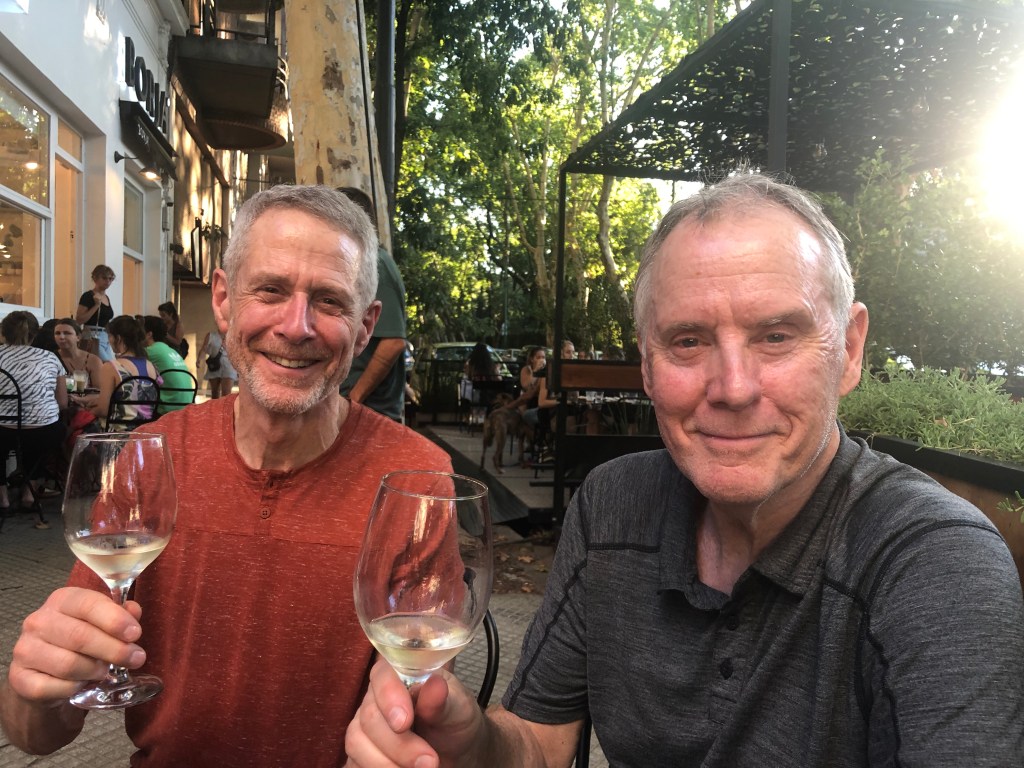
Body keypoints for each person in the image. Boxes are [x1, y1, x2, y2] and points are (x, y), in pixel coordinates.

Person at [344, 172, 1024, 767]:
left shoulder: (933, 562)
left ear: (848, 351)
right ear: (646, 367)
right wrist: (469, 746)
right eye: (688, 341)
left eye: (776, 336)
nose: (732, 387)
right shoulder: (614, 507)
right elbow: (537, 746)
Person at [0, 184, 452, 766]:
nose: (296, 326)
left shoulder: (417, 483)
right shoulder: (154, 456)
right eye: (270, 290)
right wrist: (32, 687)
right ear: (222, 299)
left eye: (329, 301)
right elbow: (38, 734)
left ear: (365, 327)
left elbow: (416, 708)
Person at [337, 186, 408, 422]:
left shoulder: (375, 264)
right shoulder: (361, 260)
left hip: (370, 411)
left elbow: (394, 342)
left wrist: (355, 399)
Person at [0, 311, 67, 509]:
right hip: (43, 431)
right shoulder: (50, 357)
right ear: (35, 334)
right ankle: (29, 493)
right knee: (38, 438)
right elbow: (62, 403)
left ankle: (2, 497)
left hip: (2, 430)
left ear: (3, 333)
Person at [72, 315, 160, 429]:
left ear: (118, 338)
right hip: (146, 430)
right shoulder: (151, 366)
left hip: (118, 432)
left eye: (109, 336)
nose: (108, 340)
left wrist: (86, 409)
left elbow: (104, 410)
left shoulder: (111, 367)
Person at [141, 315, 194, 413]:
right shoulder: (169, 350)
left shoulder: (151, 351)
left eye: (139, 331)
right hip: (186, 405)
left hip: (169, 408)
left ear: (149, 334)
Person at [74, 264, 116, 362]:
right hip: (91, 334)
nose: (108, 281)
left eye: (110, 279)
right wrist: (96, 306)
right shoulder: (88, 296)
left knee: (111, 363)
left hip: (105, 336)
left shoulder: (106, 297)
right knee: (107, 363)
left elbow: (105, 320)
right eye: (104, 278)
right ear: (95, 278)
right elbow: (79, 320)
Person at [52, 318, 103, 392]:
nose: (61, 337)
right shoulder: (51, 359)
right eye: (57, 333)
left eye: (67, 333)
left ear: (78, 337)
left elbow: (100, 392)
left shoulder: (93, 360)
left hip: (88, 399)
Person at [199, 328, 237, 399]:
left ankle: (225, 406)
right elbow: (204, 348)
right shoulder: (211, 335)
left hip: (228, 366)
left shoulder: (233, 335)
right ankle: (216, 406)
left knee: (226, 393)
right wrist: (199, 359)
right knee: (215, 393)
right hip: (214, 365)